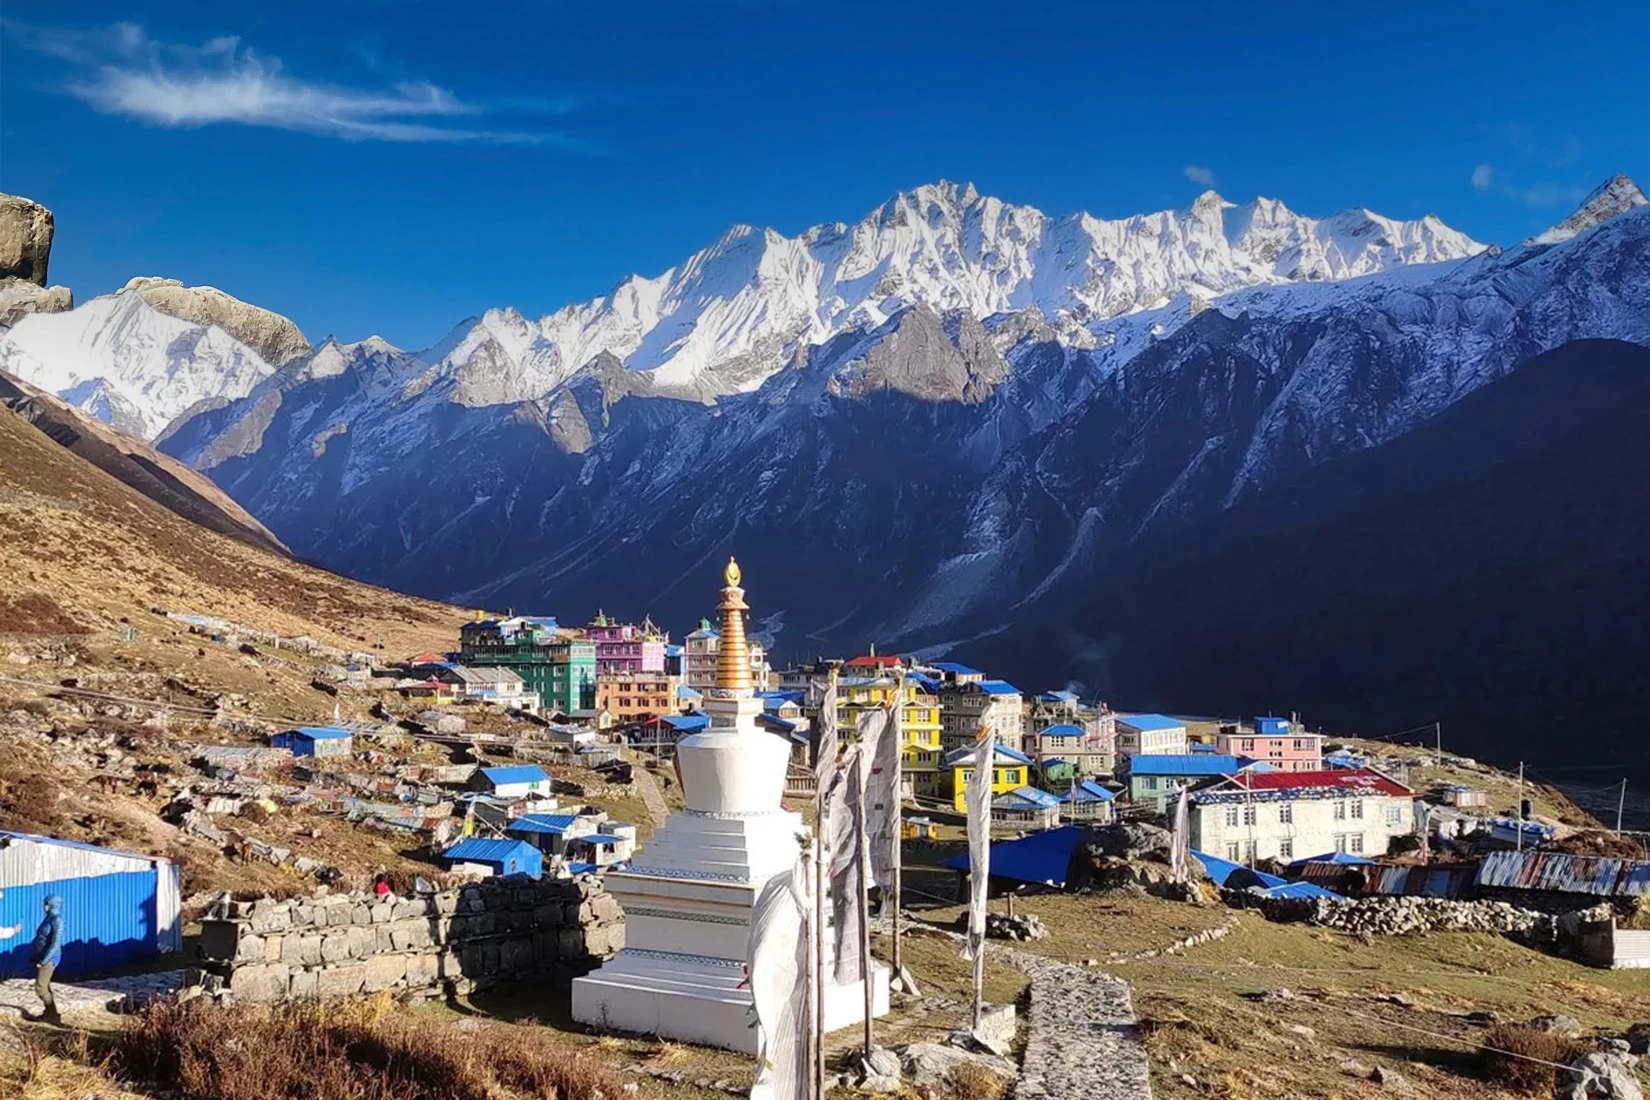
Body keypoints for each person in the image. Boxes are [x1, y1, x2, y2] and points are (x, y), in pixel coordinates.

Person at [27, 894, 63, 1025]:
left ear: (53, 905)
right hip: (42, 956)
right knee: (45, 986)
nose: (44, 906)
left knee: (40, 987)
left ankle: (52, 1015)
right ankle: (50, 1013)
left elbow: (54, 944)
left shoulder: (57, 921)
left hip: (49, 958)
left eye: (46, 904)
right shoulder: (49, 918)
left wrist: (43, 961)